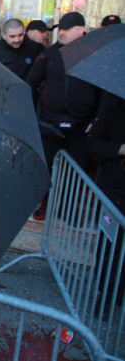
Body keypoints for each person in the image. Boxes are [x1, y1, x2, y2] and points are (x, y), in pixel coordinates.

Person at [26, 11, 100, 220]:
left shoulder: (93, 54)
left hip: (81, 125)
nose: (62, 34)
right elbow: (30, 83)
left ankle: (68, 208)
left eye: (67, 30)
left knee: (77, 169)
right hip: (50, 122)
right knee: (46, 167)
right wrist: (32, 114)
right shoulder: (49, 54)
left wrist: (97, 120)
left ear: (81, 30)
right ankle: (46, 203)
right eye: (61, 29)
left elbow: (103, 92)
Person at [88, 94, 125, 311]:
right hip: (113, 188)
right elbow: (92, 145)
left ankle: (117, 292)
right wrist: (119, 149)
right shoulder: (113, 110)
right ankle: (105, 292)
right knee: (110, 243)